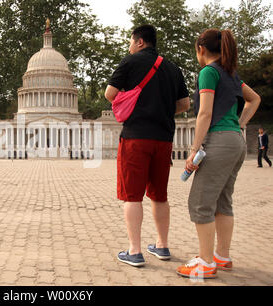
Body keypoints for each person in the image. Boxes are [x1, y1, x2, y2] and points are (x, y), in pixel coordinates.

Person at [176, 29, 261, 279]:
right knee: (223, 201)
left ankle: (205, 262)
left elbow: (204, 113)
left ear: (201, 49)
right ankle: (222, 257)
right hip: (236, 141)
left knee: (201, 202)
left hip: (219, 142)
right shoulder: (231, 73)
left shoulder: (209, 72)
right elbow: (254, 99)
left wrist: (193, 150)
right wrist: (240, 123)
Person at [105, 25, 190, 267]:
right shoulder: (173, 68)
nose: (130, 46)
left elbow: (109, 94)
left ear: (140, 42)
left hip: (136, 136)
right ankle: (162, 246)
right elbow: (184, 104)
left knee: (132, 196)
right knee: (159, 195)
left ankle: (135, 251)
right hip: (163, 139)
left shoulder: (130, 62)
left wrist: (138, 103)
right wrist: (160, 108)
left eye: (131, 42)